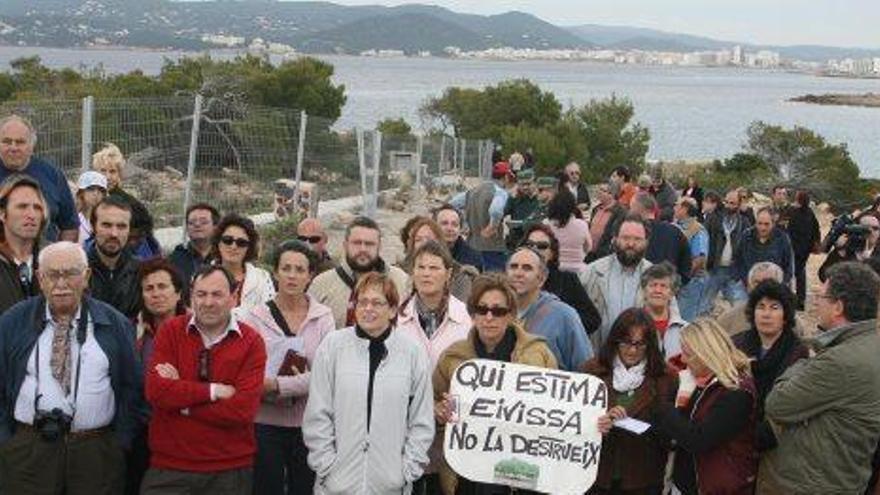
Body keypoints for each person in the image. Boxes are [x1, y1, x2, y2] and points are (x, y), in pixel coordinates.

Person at [0, 241, 142, 494]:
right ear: (40, 278)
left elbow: (132, 388)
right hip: (27, 451)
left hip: (96, 453)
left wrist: (120, 442)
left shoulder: (114, 323)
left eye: (71, 273)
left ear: (86, 276)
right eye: (52, 274)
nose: (61, 283)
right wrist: (6, 440)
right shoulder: (13, 321)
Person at [303, 272, 434, 494]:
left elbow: (421, 419)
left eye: (377, 303)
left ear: (392, 310)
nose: (368, 308)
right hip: (337, 483)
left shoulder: (412, 353)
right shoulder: (333, 347)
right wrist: (326, 465)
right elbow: (317, 412)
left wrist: (405, 471)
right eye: (362, 302)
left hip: (390, 484)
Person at [142, 265, 266, 495]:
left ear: (234, 297)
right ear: (191, 296)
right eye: (201, 294)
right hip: (169, 469)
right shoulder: (170, 331)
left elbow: (242, 411)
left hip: (229, 472)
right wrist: (213, 391)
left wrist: (182, 404)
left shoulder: (252, 342)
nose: (208, 302)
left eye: (217, 294)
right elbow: (156, 392)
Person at [759, 262, 880, 494]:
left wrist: (805, 361)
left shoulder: (840, 361)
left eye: (821, 296)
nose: (816, 301)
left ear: (838, 307)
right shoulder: (869, 344)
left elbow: (778, 404)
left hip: (812, 484)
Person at [433, 274, 557, 494]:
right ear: (472, 314)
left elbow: (560, 409)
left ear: (510, 315)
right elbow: (434, 400)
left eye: (498, 311)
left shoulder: (538, 354)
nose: (489, 317)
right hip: (468, 473)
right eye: (482, 309)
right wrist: (440, 411)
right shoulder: (453, 357)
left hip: (519, 473)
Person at [242, 241, 335, 495]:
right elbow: (249, 373)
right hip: (264, 425)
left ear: (310, 275)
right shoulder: (255, 317)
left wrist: (278, 385)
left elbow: (327, 375)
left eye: (299, 269)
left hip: (310, 425)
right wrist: (298, 382)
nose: (292, 275)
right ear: (275, 272)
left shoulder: (323, 317)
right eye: (286, 268)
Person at [625, 319, 757, 495]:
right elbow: (677, 431)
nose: (684, 360)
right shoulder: (697, 382)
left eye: (688, 354)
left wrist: (664, 409)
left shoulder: (737, 392)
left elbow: (699, 439)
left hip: (718, 488)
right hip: (684, 483)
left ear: (707, 354)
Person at [397, 240, 472, 494]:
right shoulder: (395, 319)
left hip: (453, 436)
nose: (426, 273)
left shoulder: (467, 319)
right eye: (421, 267)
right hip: (404, 435)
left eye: (434, 267)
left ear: (448, 274)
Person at [590, 308, 678, 495]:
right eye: (625, 343)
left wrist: (635, 424)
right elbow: (574, 423)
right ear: (614, 341)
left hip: (643, 478)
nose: (632, 350)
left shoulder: (666, 377)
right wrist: (598, 424)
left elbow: (669, 434)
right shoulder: (592, 370)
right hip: (597, 475)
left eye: (640, 344)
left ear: (651, 344)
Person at [129, 258, 188, 495]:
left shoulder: (196, 329)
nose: (156, 294)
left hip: (184, 431)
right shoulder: (132, 330)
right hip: (142, 430)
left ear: (178, 293)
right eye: (149, 289)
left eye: (162, 287)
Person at [731, 280, 808, 453]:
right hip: (735, 430)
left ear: (785, 315)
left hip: (775, 437)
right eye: (761, 307)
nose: (766, 314)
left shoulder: (796, 351)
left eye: (774, 307)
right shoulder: (736, 344)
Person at [308, 216, 410, 328]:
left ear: (379, 246)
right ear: (345, 245)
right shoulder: (322, 284)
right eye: (357, 243)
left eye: (369, 244)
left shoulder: (401, 281)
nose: (363, 249)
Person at [506, 246, 593, 371]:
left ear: (541, 279)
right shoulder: (494, 311)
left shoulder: (564, 315)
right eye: (513, 267)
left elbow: (585, 367)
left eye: (527, 268)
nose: (518, 273)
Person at [0, 115, 78, 242]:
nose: (13, 148)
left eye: (20, 142)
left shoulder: (52, 175)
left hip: (43, 258)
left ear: (31, 146)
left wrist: (60, 257)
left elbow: (70, 225)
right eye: (7, 142)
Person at [583, 215, 655, 347]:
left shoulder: (656, 276)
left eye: (637, 239)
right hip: (597, 357)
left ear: (646, 242)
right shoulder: (592, 272)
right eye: (625, 238)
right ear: (614, 239)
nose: (631, 244)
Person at [522, 223, 601, 335]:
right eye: (529, 244)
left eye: (542, 246)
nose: (534, 249)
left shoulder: (566, 280)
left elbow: (592, 320)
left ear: (552, 253)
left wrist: (560, 327)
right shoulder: (514, 278)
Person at [92, 143, 160, 260]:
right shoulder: (87, 199)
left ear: (119, 175)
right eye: (103, 171)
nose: (107, 176)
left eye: (112, 171)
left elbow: (145, 228)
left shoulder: (131, 204)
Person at [449, 161, 515, 272]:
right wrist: (492, 227)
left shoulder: (473, 191)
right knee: (493, 282)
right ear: (506, 177)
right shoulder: (500, 192)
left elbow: (452, 204)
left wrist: (464, 224)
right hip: (492, 248)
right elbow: (496, 210)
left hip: (472, 245)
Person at [211, 213, 275, 318]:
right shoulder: (201, 276)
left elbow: (268, 317)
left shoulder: (262, 279)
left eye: (241, 243)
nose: (233, 246)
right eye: (227, 240)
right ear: (218, 242)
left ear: (249, 248)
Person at [399, 216, 476, 303]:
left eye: (429, 239)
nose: (424, 243)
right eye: (418, 240)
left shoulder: (459, 275)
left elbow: (461, 307)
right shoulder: (399, 273)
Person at [88, 196, 142, 319]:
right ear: (93, 227)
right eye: (106, 225)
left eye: (121, 226)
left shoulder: (142, 272)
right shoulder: (77, 270)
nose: (114, 233)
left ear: (129, 230)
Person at [0, 174, 46, 315]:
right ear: (2, 213)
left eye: (37, 208)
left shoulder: (54, 259)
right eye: (22, 207)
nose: (31, 214)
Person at [717, 262, 796, 337]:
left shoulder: (793, 323)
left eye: (769, 282)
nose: (762, 287)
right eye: (757, 283)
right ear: (748, 287)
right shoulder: (728, 320)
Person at [630, 192, 692, 286]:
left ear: (637, 208)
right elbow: (686, 266)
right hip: (665, 289)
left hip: (639, 287)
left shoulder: (632, 232)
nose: (629, 211)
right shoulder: (675, 231)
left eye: (630, 208)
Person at [704, 189, 751, 310]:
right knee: (703, 305)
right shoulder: (713, 218)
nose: (729, 206)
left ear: (739, 204)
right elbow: (705, 240)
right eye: (727, 202)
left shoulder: (744, 223)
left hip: (733, 271)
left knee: (741, 307)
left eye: (733, 203)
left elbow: (747, 247)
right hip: (714, 269)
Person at [732, 207, 794, 287]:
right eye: (759, 223)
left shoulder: (782, 239)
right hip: (748, 287)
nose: (762, 228)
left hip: (774, 288)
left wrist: (781, 285)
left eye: (766, 224)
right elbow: (737, 260)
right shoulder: (746, 236)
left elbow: (788, 266)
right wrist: (743, 280)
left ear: (773, 223)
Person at [640, 262, 687, 361]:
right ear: (644, 291)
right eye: (653, 285)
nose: (658, 290)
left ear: (672, 293)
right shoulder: (630, 324)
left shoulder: (686, 330)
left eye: (663, 286)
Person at [169, 202, 220, 291]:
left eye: (203, 222)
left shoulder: (224, 256)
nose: (197, 225)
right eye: (191, 222)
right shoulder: (175, 259)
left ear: (215, 227)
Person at [673, 197, 710, 320]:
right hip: (675, 282)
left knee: (685, 320)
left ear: (685, 209)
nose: (674, 208)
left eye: (677, 205)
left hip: (691, 282)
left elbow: (699, 259)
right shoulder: (674, 226)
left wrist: (684, 278)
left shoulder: (698, 230)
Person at [818, 212, 880, 282]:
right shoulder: (846, 249)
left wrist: (867, 261)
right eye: (865, 228)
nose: (871, 231)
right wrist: (839, 254)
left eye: (875, 228)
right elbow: (824, 276)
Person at [785, 190, 820, 309]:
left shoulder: (793, 212)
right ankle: (800, 302)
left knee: (789, 274)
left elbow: (788, 230)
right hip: (804, 250)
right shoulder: (810, 212)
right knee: (800, 274)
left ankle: (787, 299)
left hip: (793, 249)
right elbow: (816, 230)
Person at [545, 188, 592, 274]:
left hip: (554, 269)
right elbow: (588, 247)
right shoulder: (582, 224)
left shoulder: (546, 224)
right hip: (578, 270)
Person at [433, 203, 483, 271]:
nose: (449, 228)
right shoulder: (422, 252)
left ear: (460, 229)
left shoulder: (473, 258)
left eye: (455, 224)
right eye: (444, 223)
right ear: (434, 227)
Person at [503, 169, 541, 250]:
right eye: (522, 184)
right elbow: (502, 213)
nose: (525, 187)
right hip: (516, 241)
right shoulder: (514, 198)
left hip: (535, 240)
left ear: (535, 183)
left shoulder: (540, 199)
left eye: (528, 184)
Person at [589, 181, 626, 260]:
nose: (599, 192)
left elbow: (615, 234)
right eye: (599, 189)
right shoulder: (596, 209)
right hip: (589, 253)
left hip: (605, 255)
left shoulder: (620, 212)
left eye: (602, 190)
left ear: (611, 194)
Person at [74, 170, 107, 245]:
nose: (96, 193)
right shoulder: (73, 219)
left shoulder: (107, 219)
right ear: (81, 192)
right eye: (91, 189)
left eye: (101, 190)